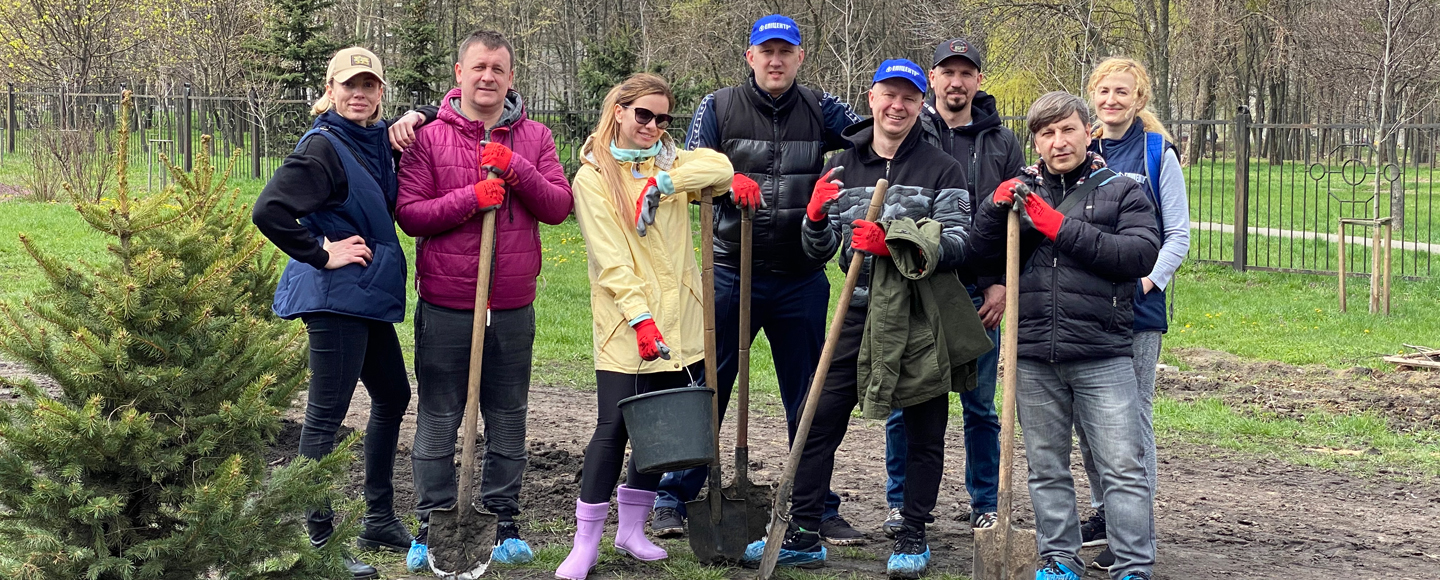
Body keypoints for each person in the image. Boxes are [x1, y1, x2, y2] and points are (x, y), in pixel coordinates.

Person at [742, 59, 985, 579]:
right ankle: (804, 532)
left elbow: (960, 242)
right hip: (856, 313)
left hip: (920, 317)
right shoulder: (841, 165)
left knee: (923, 425)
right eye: (888, 95)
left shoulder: (942, 168)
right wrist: (813, 217)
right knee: (816, 417)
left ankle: (913, 532)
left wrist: (896, 241)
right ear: (871, 98)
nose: (897, 106)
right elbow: (819, 251)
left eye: (909, 98)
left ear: (921, 106)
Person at [652, 13, 865, 545]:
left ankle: (815, 502)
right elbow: (683, 164)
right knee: (709, 386)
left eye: (785, 52)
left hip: (800, 277)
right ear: (750, 57)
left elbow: (876, 134)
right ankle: (674, 495)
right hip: (730, 272)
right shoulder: (719, 106)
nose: (775, 60)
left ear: (799, 58)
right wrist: (727, 179)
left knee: (808, 395)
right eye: (766, 52)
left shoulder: (821, 108)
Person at [390, 29, 574, 571]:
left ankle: (504, 521)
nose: (487, 77)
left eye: (498, 68)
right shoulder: (427, 138)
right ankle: (431, 521)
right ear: (459, 74)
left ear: (511, 77)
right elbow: (411, 213)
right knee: (441, 415)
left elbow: (559, 205)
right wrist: (472, 198)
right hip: (448, 300)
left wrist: (515, 169)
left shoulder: (536, 137)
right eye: (478, 67)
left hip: (513, 301)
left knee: (508, 415)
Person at [969, 91, 1160, 580]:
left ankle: (1134, 566)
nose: (1059, 142)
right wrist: (994, 210)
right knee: (1047, 467)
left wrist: (1057, 226)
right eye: (1047, 134)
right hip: (1032, 353)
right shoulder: (1018, 194)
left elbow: (1139, 255)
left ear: (1086, 130)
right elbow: (978, 257)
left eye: (1067, 129)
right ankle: (1059, 560)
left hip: (1103, 352)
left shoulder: (1122, 189)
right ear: (1035, 142)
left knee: (1122, 467)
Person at [557, 72, 735, 580]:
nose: (653, 126)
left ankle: (632, 530)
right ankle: (584, 542)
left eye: (663, 119)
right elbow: (612, 262)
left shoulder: (672, 163)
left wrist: (665, 182)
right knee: (612, 429)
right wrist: (640, 319)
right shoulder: (593, 176)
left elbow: (720, 167)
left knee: (661, 431)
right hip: (626, 323)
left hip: (680, 319)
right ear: (619, 110)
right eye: (643, 115)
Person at [252, 47, 415, 580]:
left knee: (393, 394)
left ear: (381, 92)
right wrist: (322, 251)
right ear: (330, 90)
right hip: (333, 296)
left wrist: (418, 117)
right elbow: (270, 209)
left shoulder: (373, 138)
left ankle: (377, 517)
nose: (359, 94)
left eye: (369, 85)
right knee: (325, 416)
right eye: (349, 85)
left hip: (362, 294)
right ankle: (319, 540)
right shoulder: (323, 147)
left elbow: (435, 116)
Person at [880, 36, 1026, 537]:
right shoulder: (909, 134)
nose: (957, 81)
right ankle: (900, 501)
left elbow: (1015, 222)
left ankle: (986, 501)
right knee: (908, 399)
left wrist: (1001, 285)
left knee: (980, 404)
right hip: (914, 290)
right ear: (933, 78)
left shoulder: (1002, 142)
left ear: (978, 81)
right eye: (948, 72)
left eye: (966, 73)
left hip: (976, 292)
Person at [1076, 56, 1192, 571]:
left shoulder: (1155, 152)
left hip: (1139, 310)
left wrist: (1146, 282)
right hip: (1088, 308)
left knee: (1131, 421)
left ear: (1139, 99)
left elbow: (1179, 236)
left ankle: (1135, 529)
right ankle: (1105, 511)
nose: (1111, 101)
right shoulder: (1085, 147)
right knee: (1087, 418)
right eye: (1104, 92)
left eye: (1122, 92)